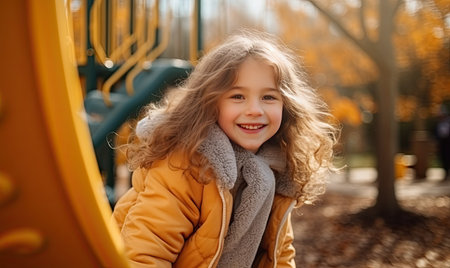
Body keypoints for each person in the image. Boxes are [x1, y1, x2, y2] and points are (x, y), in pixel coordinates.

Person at [112, 31, 338, 268]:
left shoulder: (275, 170)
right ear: (210, 103)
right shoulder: (184, 164)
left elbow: (280, 254)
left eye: (269, 97)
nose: (254, 110)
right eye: (238, 96)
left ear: (287, 105)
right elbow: (145, 253)